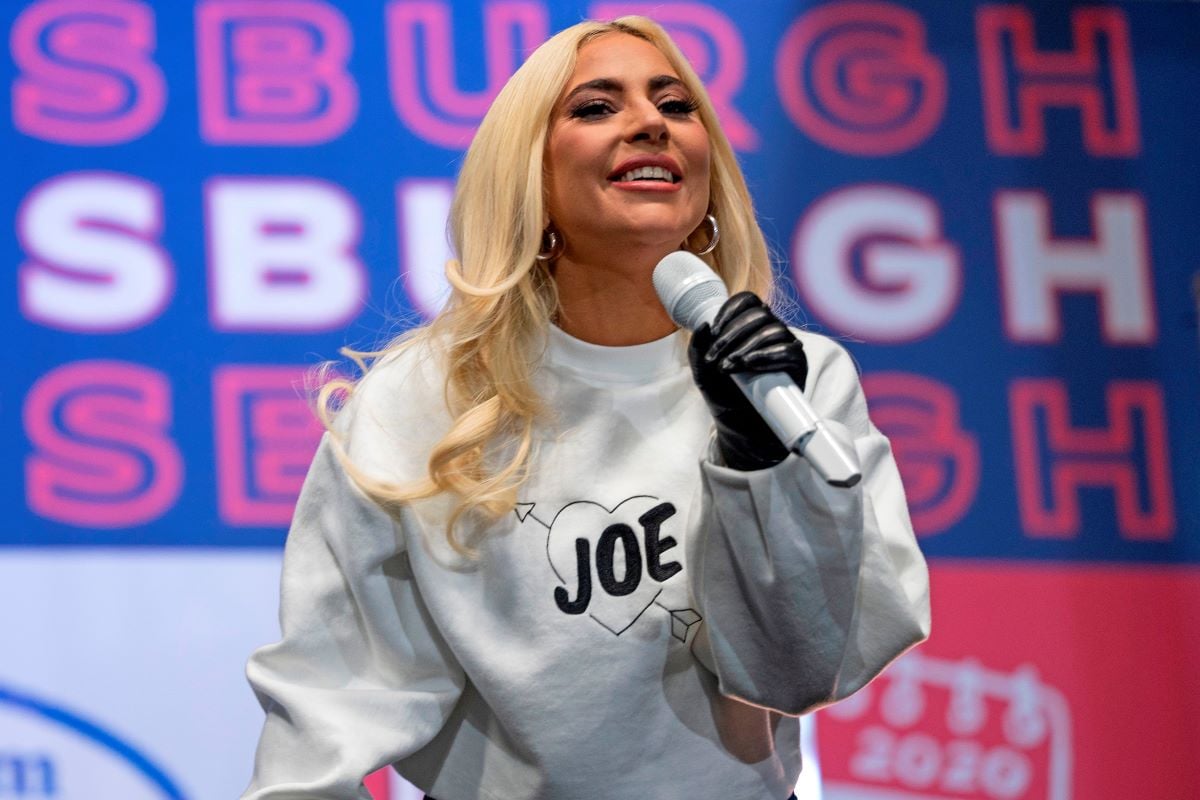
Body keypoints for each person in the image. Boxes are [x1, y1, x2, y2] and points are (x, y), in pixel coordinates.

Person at [242, 16, 930, 800]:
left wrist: (757, 461)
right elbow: (335, 696)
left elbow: (804, 669)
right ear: (527, 175)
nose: (649, 123)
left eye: (675, 105)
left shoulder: (797, 381)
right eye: (596, 107)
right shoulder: (421, 399)